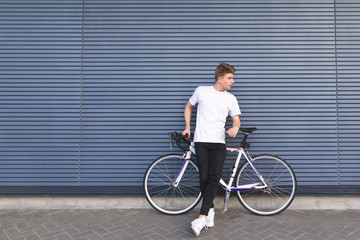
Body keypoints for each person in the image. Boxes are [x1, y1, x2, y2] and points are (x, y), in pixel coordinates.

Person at [182, 62, 241, 236]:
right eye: (230, 78)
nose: (233, 81)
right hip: (201, 141)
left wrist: (235, 127)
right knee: (204, 178)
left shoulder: (231, 98)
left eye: (233, 78)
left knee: (213, 179)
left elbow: (236, 120)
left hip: (218, 144)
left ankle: (201, 218)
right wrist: (187, 127)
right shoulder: (201, 91)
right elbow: (188, 106)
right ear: (220, 78)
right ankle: (211, 210)